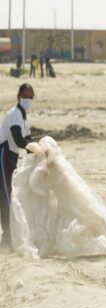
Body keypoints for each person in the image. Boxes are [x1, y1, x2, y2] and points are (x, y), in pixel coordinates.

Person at [0, 84, 34, 250]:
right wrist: (33, 148)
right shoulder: (15, 115)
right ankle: (7, 238)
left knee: (9, 194)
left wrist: (37, 151)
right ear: (19, 96)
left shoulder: (24, 116)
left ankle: (10, 235)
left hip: (11, 155)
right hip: (4, 152)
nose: (28, 99)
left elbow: (28, 138)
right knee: (6, 196)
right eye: (25, 96)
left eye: (30, 96)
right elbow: (19, 139)